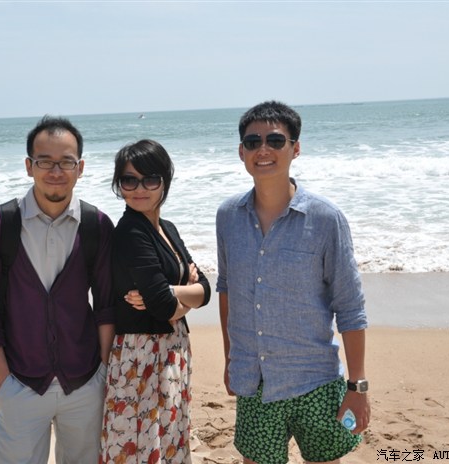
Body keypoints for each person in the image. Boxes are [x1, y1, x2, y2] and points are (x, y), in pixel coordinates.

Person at [216, 101, 370, 464]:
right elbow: (227, 291)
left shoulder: (326, 218)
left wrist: (358, 386)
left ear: (295, 148)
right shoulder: (228, 216)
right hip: (254, 384)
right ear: (241, 151)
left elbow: (350, 307)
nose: (263, 150)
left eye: (275, 140)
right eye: (253, 142)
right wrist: (230, 360)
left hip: (315, 382)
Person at [0, 116, 115, 464]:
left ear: (80, 168)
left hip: (85, 383)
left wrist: (102, 371)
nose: (56, 171)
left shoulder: (96, 225)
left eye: (66, 161)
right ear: (28, 166)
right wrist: (3, 382)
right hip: (20, 384)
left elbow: (107, 306)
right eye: (45, 161)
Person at [100, 139, 212, 463]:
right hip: (140, 356)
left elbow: (205, 289)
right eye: (129, 180)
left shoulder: (167, 228)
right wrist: (179, 293)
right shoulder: (130, 232)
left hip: (172, 349)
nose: (139, 189)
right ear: (119, 184)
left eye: (150, 179)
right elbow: (164, 307)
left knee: (169, 440)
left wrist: (172, 292)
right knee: (138, 446)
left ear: (165, 181)